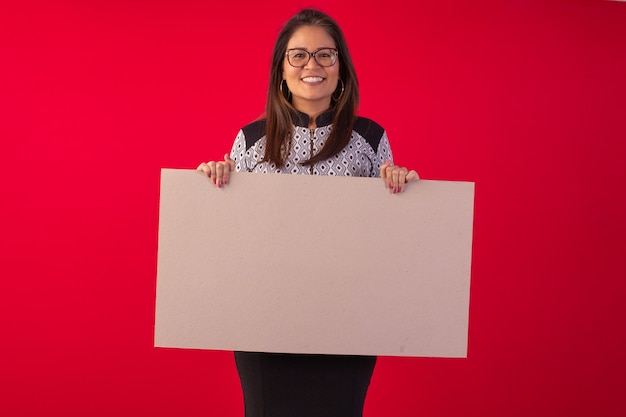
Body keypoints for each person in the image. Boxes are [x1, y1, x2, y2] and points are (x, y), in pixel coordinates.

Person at [197, 8, 418, 417]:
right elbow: (230, 231)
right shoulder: (251, 139)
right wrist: (216, 179)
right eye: (298, 55)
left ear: (341, 69)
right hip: (264, 316)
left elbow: (385, 235)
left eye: (324, 55)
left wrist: (400, 186)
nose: (311, 65)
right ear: (281, 69)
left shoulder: (370, 138)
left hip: (348, 316)